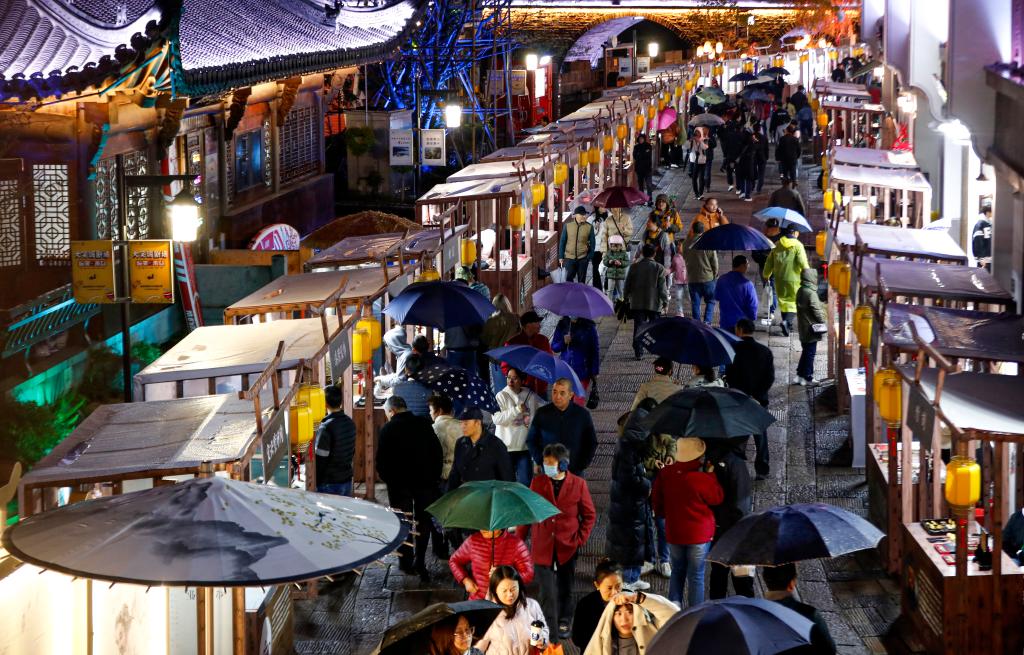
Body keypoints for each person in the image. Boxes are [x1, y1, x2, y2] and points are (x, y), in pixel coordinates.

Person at [518, 443, 597, 641]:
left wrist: (580, 539)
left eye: (551, 463)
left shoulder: (578, 484)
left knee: (565, 587)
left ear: (563, 465)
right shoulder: (537, 483)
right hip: (542, 545)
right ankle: (548, 626)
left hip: (567, 545)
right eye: (545, 463)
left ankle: (564, 619)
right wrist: (518, 541)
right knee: (546, 590)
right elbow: (528, 513)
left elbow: (589, 515)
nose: (547, 467)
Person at [376, 395, 444, 579]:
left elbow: (381, 461)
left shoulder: (388, 429)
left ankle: (406, 562)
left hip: (399, 485)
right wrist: (434, 477)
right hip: (425, 483)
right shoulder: (424, 423)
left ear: (392, 411)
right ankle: (420, 561)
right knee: (424, 522)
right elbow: (437, 452)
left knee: (403, 521)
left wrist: (388, 479)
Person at [652, 437, 723, 607]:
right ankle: (695, 613)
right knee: (696, 576)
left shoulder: (666, 473)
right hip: (699, 535)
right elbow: (717, 498)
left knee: (677, 571)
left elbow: (657, 503)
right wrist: (711, 475)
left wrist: (666, 515)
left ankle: (673, 608)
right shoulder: (700, 477)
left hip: (674, 532)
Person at [608, 400, 656, 592]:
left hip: (629, 502)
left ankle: (633, 577)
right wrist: (646, 485)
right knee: (630, 542)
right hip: (628, 503)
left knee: (635, 541)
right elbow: (629, 476)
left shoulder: (628, 442)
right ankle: (627, 581)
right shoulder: (630, 447)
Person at [706, 437, 755, 599]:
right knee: (742, 581)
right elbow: (741, 503)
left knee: (719, 576)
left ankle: (716, 607)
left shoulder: (713, 461)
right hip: (735, 530)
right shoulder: (736, 464)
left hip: (720, 528)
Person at [725, 319, 774, 479]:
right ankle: (762, 469)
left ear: (739, 330)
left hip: (738, 399)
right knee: (760, 435)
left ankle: (736, 467)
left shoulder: (733, 350)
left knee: (738, 434)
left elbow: (730, 376)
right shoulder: (765, 351)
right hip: (759, 400)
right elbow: (769, 378)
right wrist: (757, 395)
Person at [526, 379, 598, 475]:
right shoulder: (542, 413)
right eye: (554, 392)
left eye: (562, 393)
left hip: (574, 471)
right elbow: (531, 440)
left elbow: (591, 442)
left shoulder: (582, 415)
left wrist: (582, 464)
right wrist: (540, 460)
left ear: (570, 395)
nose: (557, 396)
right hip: (549, 469)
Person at [762, 563, 838, 654]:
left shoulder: (755, 614)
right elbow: (829, 650)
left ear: (764, 579)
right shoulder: (809, 614)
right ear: (792, 583)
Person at [475, 566, 547, 654]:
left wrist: (543, 641)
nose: (510, 594)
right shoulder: (489, 613)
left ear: (519, 586)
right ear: (495, 590)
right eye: (504, 590)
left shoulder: (532, 606)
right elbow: (479, 646)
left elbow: (544, 630)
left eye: (513, 589)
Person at [583, 591, 679, 655]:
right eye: (618, 613)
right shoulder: (603, 643)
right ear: (611, 617)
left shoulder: (654, 629)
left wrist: (637, 598)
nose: (624, 620)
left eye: (630, 612)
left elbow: (674, 614)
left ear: (638, 614)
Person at [494, 368, 543, 486]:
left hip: (524, 448)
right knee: (506, 484)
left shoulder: (530, 396)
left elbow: (541, 411)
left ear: (522, 380)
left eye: (515, 378)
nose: (510, 381)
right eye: (508, 377)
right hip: (505, 449)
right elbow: (497, 419)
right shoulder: (501, 396)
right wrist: (516, 410)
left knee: (525, 484)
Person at [451, 534, 534, 602]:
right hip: (477, 601)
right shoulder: (473, 540)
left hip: (507, 603)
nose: (483, 529)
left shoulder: (516, 543)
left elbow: (528, 574)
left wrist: (504, 574)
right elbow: (454, 561)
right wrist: (465, 580)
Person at [448, 406, 515, 491]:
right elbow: (455, 474)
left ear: (478, 423)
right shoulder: (460, 443)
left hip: (489, 494)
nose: (462, 426)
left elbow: (507, 478)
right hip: (466, 493)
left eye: (466, 423)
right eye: (461, 423)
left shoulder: (496, 445)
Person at [762, 226, 809, 336]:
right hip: (794, 279)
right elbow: (803, 263)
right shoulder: (798, 245)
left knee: (784, 301)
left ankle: (788, 326)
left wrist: (766, 274)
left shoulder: (778, 244)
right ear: (794, 233)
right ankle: (786, 322)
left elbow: (769, 261)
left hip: (779, 279)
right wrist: (809, 275)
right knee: (794, 302)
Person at [624, 243, 668, 359]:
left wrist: (625, 297)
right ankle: (655, 348)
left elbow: (627, 284)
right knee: (654, 327)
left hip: (637, 303)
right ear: (654, 254)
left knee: (638, 327)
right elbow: (662, 288)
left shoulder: (634, 267)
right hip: (654, 303)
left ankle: (638, 351)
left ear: (642, 253)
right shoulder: (659, 268)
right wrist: (665, 302)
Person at [314, 383, 357, 496]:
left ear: (325, 403)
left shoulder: (325, 427)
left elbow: (320, 460)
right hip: (346, 480)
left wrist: (315, 481)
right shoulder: (350, 422)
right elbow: (352, 451)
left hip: (329, 483)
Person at [572, 560, 624, 650]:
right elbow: (577, 639)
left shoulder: (628, 601)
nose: (614, 592)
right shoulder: (585, 605)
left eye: (618, 586)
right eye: (609, 588)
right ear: (597, 585)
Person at [503, 310, 553, 399]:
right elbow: (505, 366)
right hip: (522, 389)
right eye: (537, 322)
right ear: (528, 325)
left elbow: (550, 360)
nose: (540, 325)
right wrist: (516, 376)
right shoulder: (513, 343)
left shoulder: (543, 340)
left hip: (541, 388)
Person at [552, 316, 600, 402]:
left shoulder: (589, 327)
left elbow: (595, 350)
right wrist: (563, 342)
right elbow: (554, 347)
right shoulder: (562, 324)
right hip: (565, 372)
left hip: (582, 372)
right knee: (565, 404)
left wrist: (594, 372)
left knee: (578, 403)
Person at [482, 293, 523, 392]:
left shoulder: (490, 321)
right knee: (514, 389)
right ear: (507, 304)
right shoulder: (516, 318)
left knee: (500, 391)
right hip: (512, 359)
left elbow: (485, 340)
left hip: (496, 360)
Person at [682, 222, 718, 324]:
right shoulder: (708, 242)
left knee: (695, 303)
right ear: (703, 230)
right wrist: (715, 274)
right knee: (710, 301)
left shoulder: (686, 243)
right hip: (708, 277)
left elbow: (684, 257)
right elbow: (714, 262)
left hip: (692, 277)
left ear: (693, 230)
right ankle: (707, 322)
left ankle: (697, 324)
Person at [795, 268, 826, 386]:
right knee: (810, 353)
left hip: (803, 327)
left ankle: (800, 375)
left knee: (806, 351)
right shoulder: (811, 293)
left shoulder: (801, 290)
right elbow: (816, 310)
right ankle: (808, 377)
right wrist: (823, 319)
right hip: (811, 329)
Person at [713, 255, 758, 333]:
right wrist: (752, 318)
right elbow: (753, 305)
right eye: (747, 264)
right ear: (742, 266)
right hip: (741, 325)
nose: (748, 266)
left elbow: (716, 296)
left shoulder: (721, 279)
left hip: (725, 322)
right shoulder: (747, 284)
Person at [429, 393, 462, 487]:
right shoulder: (463, 425)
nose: (430, 413)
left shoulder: (433, 429)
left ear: (439, 410)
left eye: (431, 410)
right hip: (463, 472)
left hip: (444, 474)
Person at [558, 206, 595, 284]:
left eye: (585, 214)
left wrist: (589, 257)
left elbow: (593, 243)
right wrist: (561, 256)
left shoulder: (589, 227)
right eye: (582, 214)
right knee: (568, 280)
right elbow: (562, 241)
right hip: (569, 258)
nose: (584, 216)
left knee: (581, 281)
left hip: (583, 258)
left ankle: (581, 292)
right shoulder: (568, 226)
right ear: (576, 215)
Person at [602, 235, 629, 303]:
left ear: (621, 246)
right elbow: (605, 261)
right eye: (613, 245)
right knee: (610, 290)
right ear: (610, 245)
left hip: (620, 276)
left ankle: (622, 303)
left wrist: (621, 263)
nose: (615, 247)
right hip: (611, 275)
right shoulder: (609, 253)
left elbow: (627, 262)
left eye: (617, 246)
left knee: (620, 290)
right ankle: (609, 303)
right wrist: (609, 262)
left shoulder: (624, 253)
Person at [687, 126, 710, 200]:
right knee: (694, 178)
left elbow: (705, 147)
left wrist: (700, 141)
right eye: (696, 134)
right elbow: (686, 147)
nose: (697, 136)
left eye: (699, 134)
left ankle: (701, 193)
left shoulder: (704, 139)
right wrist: (690, 141)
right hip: (693, 161)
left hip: (702, 161)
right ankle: (696, 193)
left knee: (701, 178)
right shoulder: (692, 140)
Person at [748, 123, 769, 199]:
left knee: (752, 172)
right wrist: (766, 157)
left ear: (753, 129)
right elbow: (766, 149)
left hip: (753, 157)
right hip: (762, 157)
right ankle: (759, 188)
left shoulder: (751, 136)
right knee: (761, 174)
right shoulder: (764, 137)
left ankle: (752, 186)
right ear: (760, 129)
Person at [590, 207, 608, 291]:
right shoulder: (591, 219)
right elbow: (589, 235)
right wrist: (595, 228)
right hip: (596, 248)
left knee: (609, 268)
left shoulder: (610, 217)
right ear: (597, 207)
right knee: (596, 269)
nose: (605, 207)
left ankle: (607, 287)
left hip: (607, 247)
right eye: (602, 206)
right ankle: (597, 289)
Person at [632, 133, 654, 201]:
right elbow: (635, 156)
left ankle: (649, 199)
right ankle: (642, 199)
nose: (641, 140)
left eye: (642, 139)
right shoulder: (636, 147)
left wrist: (640, 155)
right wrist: (642, 154)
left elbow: (647, 155)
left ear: (644, 139)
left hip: (647, 169)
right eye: (640, 139)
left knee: (649, 185)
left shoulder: (648, 146)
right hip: (639, 169)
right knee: (640, 185)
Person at [669, 246, 688, 315]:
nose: (678, 247)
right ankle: (680, 313)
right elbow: (672, 267)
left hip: (688, 280)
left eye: (680, 246)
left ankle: (696, 311)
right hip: (678, 281)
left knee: (690, 297)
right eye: (678, 246)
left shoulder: (689, 255)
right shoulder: (675, 257)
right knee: (678, 298)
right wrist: (667, 271)